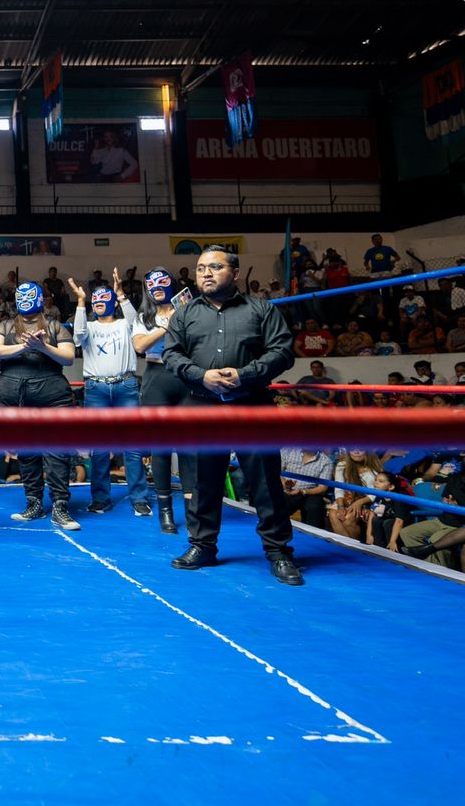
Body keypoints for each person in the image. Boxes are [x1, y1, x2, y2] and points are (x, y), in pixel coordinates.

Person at [161, 245, 303, 585]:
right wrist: (200, 375)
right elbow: (171, 354)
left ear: (235, 273)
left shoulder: (261, 309)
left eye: (214, 267)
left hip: (251, 403)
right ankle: (203, 547)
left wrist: (246, 373)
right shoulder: (184, 314)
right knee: (203, 481)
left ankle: (279, 553)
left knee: (266, 482)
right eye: (200, 269)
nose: (206, 273)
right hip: (202, 403)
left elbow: (283, 352)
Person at [0, 282, 80, 530]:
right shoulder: (6, 325)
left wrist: (42, 347)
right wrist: (25, 346)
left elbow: (69, 357)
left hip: (52, 395)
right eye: (22, 296)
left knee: (57, 451)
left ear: (41, 299)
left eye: (31, 296)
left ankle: (60, 506)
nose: (26, 300)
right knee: (27, 451)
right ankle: (34, 503)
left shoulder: (53, 325)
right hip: (16, 396)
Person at [68, 268, 149, 516]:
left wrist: (121, 294)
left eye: (104, 299)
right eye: (96, 300)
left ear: (113, 303)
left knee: (133, 446)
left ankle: (139, 499)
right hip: (97, 388)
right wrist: (81, 303)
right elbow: (78, 336)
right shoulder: (89, 327)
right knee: (100, 448)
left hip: (125, 385)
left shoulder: (126, 324)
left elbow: (138, 323)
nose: (99, 303)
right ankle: (101, 499)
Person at [133, 268, 189, 533]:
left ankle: (193, 508)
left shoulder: (190, 309)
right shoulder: (144, 316)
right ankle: (165, 510)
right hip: (157, 376)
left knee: (190, 447)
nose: (156, 286)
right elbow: (140, 346)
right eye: (151, 283)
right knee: (161, 448)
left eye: (162, 281)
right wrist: (165, 326)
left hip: (186, 375)